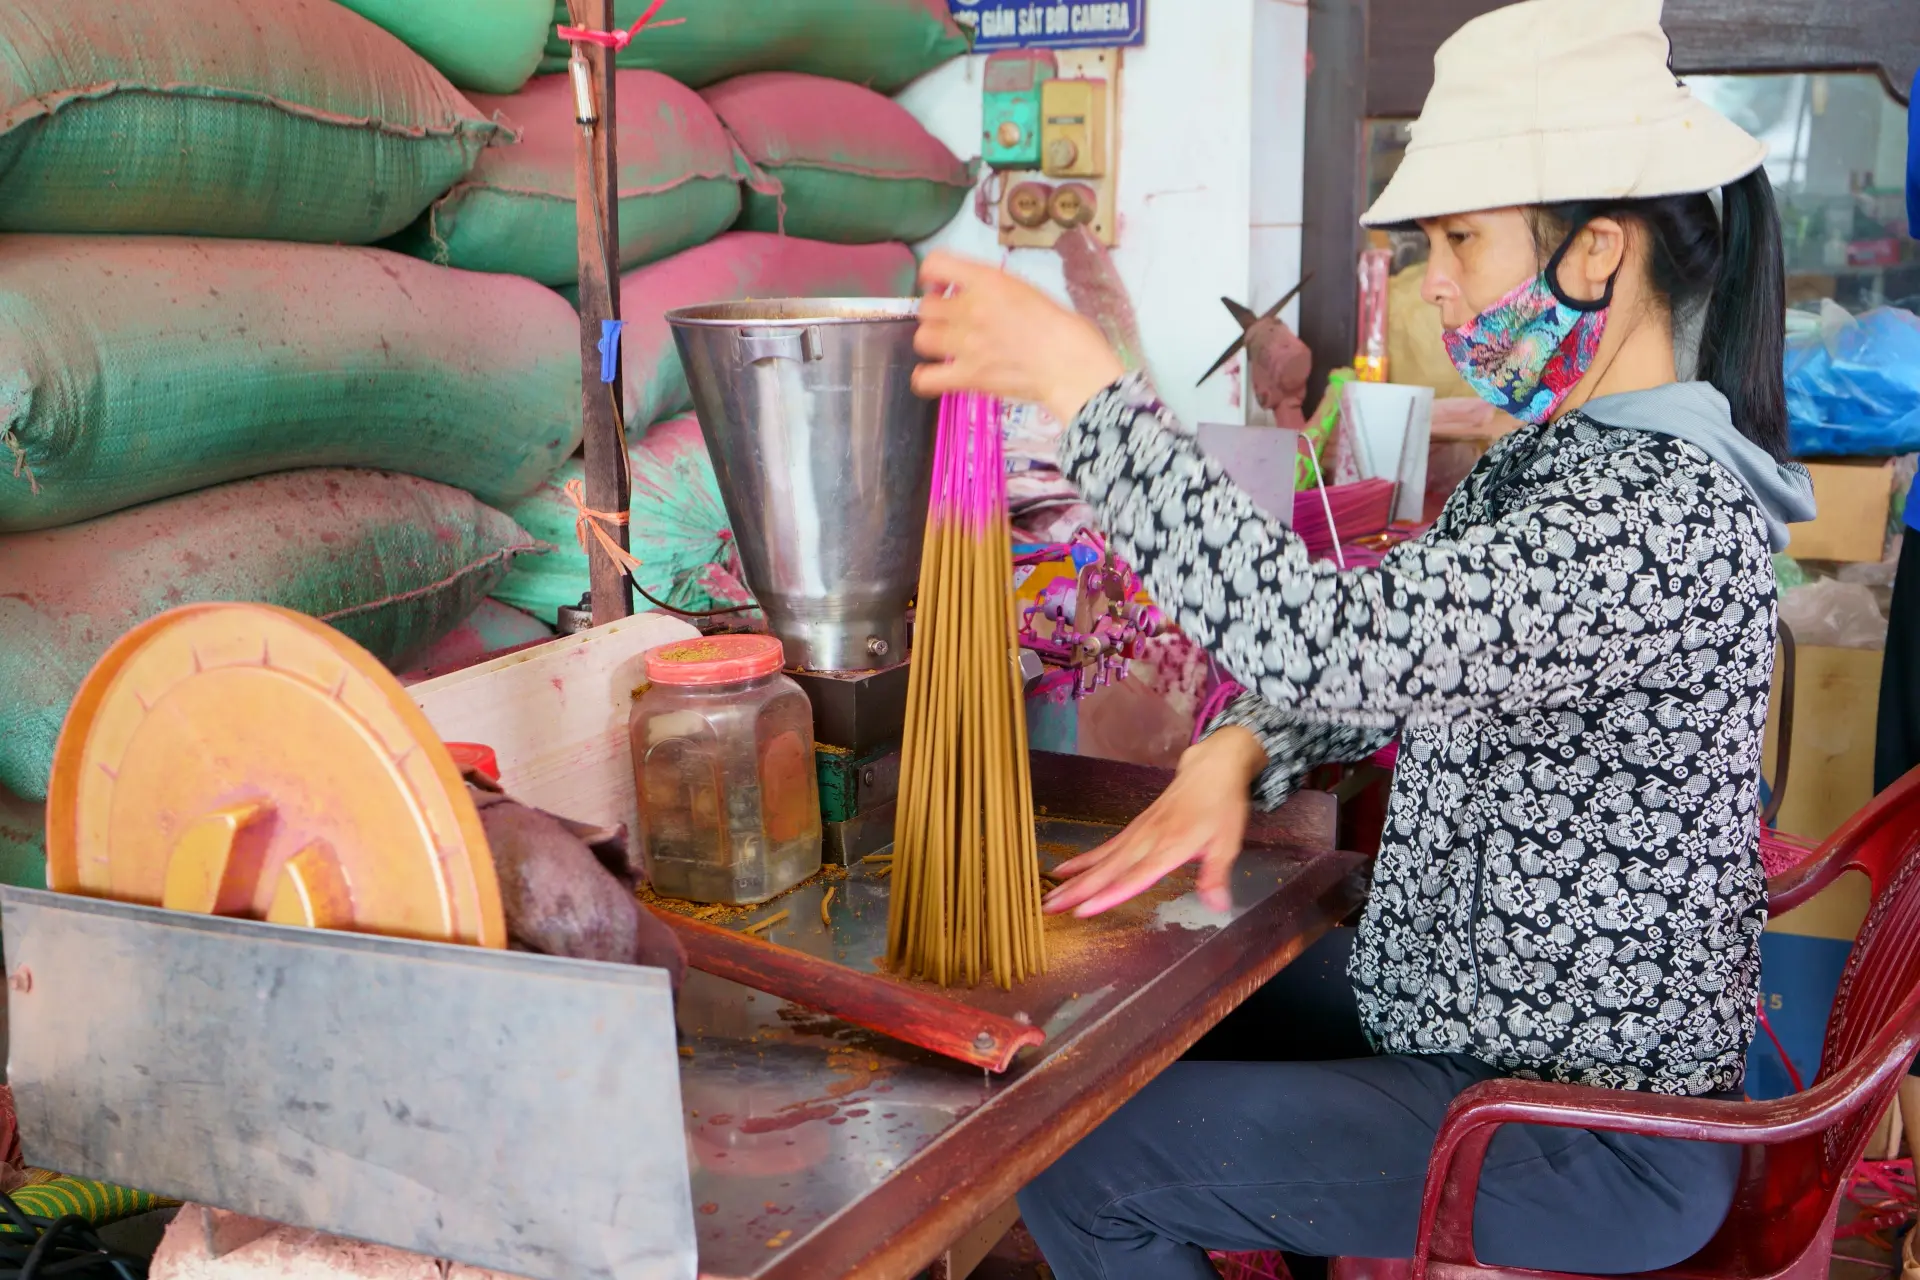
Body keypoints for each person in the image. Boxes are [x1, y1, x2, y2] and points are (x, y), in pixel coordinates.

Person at [911, 0, 1818, 1274]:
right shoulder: (1561, 469)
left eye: (1460, 238)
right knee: (1117, 1035)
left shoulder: (1651, 511)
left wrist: (1083, 391)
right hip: (1473, 1012)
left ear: (1600, 251)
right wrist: (1241, 751)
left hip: (1583, 1122)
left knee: (1080, 1159)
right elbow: (1394, 664)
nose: (1434, 280)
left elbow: (1325, 637)